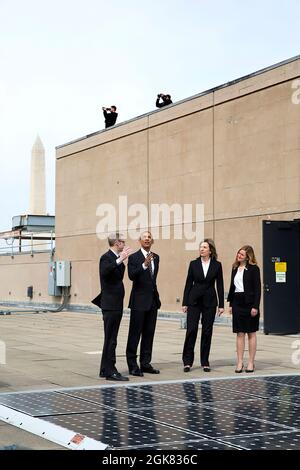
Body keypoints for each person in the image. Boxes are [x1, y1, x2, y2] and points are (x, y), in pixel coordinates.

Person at [92, 232, 132, 381]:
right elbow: (105, 271)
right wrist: (120, 259)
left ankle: (104, 368)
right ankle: (111, 370)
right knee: (111, 338)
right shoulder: (106, 257)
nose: (124, 244)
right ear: (117, 243)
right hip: (110, 304)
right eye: (123, 242)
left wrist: (121, 260)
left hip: (116, 303)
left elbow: (119, 275)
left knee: (110, 337)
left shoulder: (116, 259)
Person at [182, 238, 224, 372]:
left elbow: (220, 285)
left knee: (207, 331)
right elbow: (188, 283)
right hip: (194, 301)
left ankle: (205, 360)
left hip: (210, 302)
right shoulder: (193, 264)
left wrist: (221, 304)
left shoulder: (217, 265)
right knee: (191, 330)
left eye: (204, 247)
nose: (202, 249)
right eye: (201, 247)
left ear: (210, 250)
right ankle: (187, 361)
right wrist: (185, 302)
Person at [126, 231, 161, 376]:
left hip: (152, 301)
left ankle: (145, 363)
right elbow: (131, 276)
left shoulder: (156, 257)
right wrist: (144, 265)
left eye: (149, 237)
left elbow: (153, 280)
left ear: (152, 241)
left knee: (149, 333)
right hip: (138, 302)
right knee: (135, 334)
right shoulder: (134, 257)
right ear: (139, 241)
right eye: (144, 237)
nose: (147, 239)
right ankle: (132, 365)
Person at [227, 245, 261, 373]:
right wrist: (230, 304)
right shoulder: (235, 268)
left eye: (242, 254)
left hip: (250, 304)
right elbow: (232, 287)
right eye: (238, 253)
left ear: (248, 256)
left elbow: (258, 289)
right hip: (237, 302)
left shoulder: (254, 269)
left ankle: (251, 363)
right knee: (239, 333)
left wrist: (255, 306)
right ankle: (240, 362)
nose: (239, 255)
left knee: (251, 333)